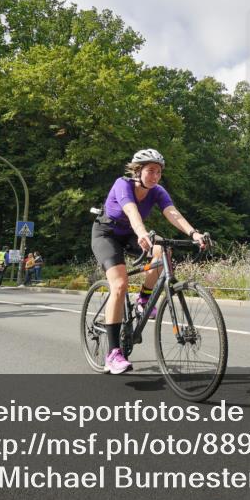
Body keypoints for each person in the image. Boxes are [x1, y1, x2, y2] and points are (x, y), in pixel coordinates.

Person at [90, 148, 207, 374]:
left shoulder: (157, 191)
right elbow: (131, 211)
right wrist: (142, 232)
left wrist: (194, 234)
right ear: (138, 170)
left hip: (132, 233)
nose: (155, 176)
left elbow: (173, 213)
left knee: (163, 250)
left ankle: (143, 300)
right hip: (106, 234)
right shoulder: (122, 184)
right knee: (120, 284)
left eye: (158, 172)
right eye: (151, 171)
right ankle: (113, 354)